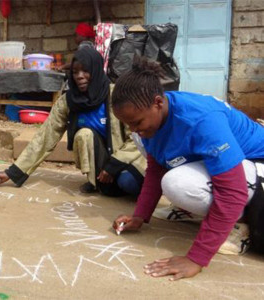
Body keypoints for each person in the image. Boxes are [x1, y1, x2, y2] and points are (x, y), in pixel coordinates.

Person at [111, 56, 264, 280]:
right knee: (169, 174)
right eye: (128, 124)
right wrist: (140, 216)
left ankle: (240, 223)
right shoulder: (153, 119)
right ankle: (205, 212)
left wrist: (196, 258)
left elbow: (233, 191)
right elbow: (157, 167)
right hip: (235, 164)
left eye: (137, 122)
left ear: (158, 103)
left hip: (257, 165)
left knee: (177, 183)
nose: (134, 129)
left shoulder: (201, 121)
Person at [0, 47, 146, 197]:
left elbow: (137, 137)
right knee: (84, 134)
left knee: (128, 183)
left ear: (97, 70)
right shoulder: (68, 102)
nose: (79, 76)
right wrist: (13, 172)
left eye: (86, 71)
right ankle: (96, 182)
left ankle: (124, 184)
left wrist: (114, 165)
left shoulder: (116, 95)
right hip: (101, 165)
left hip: (125, 158)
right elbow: (45, 137)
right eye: (75, 72)